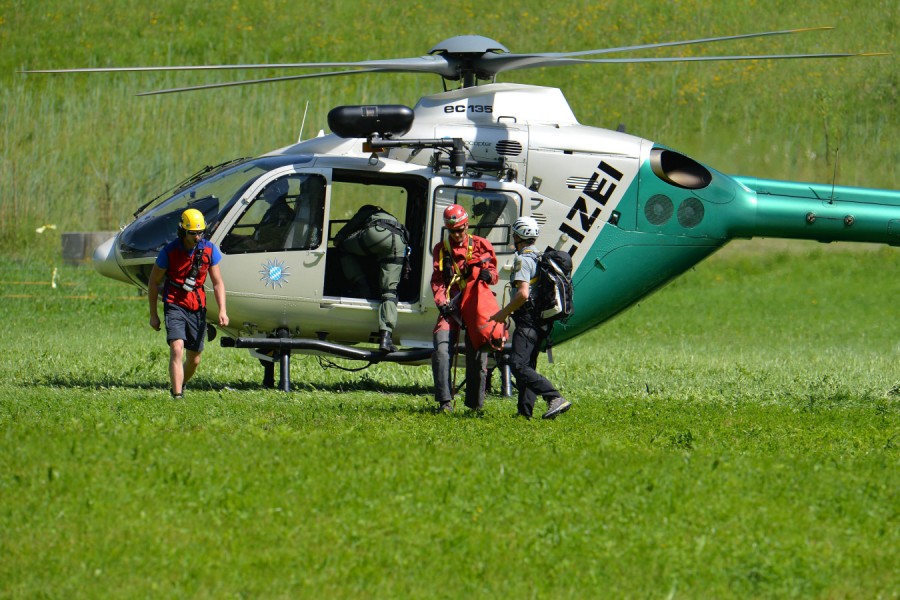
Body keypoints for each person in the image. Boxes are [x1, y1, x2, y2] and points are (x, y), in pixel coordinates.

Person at [491, 216, 571, 419]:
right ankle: (524, 412)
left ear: (518, 237)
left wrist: (504, 313)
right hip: (541, 321)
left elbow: (523, 294)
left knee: (518, 365)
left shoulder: (523, 260)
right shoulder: (539, 256)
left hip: (527, 320)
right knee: (529, 365)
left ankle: (554, 397)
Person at [148, 208, 229, 399]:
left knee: (195, 359)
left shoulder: (209, 250)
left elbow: (218, 283)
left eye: (200, 232)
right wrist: (154, 315)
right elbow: (153, 282)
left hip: (197, 307)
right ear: (183, 231)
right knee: (177, 348)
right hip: (175, 304)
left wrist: (222, 311)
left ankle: (180, 383)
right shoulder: (169, 252)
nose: (197, 237)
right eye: (193, 233)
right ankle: (177, 396)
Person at [431, 204, 499, 412]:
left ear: (467, 225)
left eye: (460, 229)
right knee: (441, 349)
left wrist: (489, 276)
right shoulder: (441, 249)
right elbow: (438, 280)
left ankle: (475, 405)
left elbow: (494, 274)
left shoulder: (481, 244)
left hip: (475, 305)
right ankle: (445, 402)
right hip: (451, 306)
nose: (457, 234)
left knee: (477, 355)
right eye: (452, 231)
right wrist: (442, 303)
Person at [333, 205, 409, 353]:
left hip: (378, 234)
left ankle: (362, 287)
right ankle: (386, 338)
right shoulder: (390, 217)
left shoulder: (367, 212)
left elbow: (344, 233)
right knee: (389, 292)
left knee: (342, 248)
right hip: (399, 241)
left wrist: (339, 238)